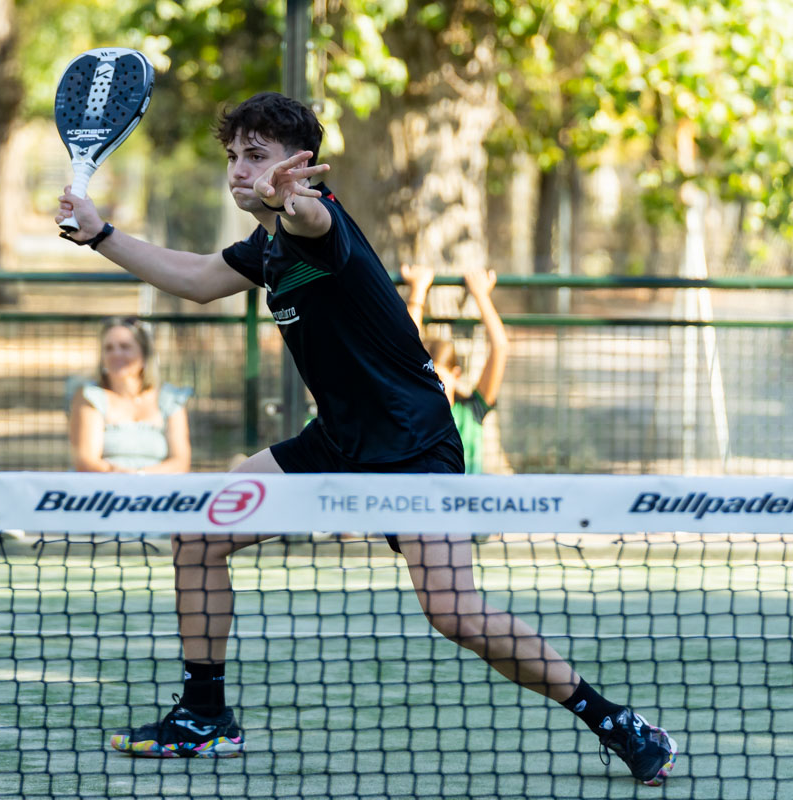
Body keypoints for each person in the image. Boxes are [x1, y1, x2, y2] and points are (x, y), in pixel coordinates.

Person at [56, 91, 676, 784]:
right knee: (200, 534)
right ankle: (205, 717)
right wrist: (102, 234)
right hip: (335, 443)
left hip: (412, 447)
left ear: (300, 163)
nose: (239, 169)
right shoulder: (267, 248)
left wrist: (289, 198)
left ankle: (612, 720)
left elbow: (311, 217)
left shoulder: (318, 226)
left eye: (256, 155)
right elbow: (198, 279)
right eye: (233, 156)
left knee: (456, 615)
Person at [401, 264, 508, 475]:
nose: (434, 386)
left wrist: (481, 295)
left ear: (456, 374)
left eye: (439, 378)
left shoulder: (471, 411)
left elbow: (500, 347)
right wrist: (418, 289)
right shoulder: (416, 409)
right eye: (428, 379)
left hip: (466, 495)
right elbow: (406, 350)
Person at [69, 316, 192, 475]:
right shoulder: (91, 397)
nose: (116, 354)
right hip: (105, 485)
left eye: (125, 347)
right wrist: (122, 476)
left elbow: (181, 462)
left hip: (157, 486)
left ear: (145, 355)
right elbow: (86, 461)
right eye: (109, 348)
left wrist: (140, 476)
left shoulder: (170, 398)